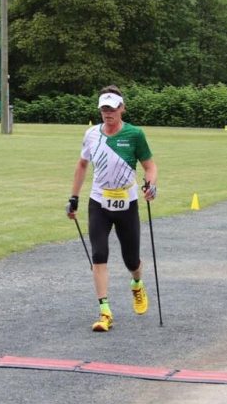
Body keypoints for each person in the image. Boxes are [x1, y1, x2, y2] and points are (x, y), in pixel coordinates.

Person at [66, 86, 158, 332]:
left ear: (122, 108)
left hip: (127, 203)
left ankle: (137, 284)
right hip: (99, 202)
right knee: (99, 254)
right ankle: (104, 311)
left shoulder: (135, 134)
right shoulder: (91, 134)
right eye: (104, 109)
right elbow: (82, 165)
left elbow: (150, 166)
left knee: (131, 260)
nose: (108, 113)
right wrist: (74, 197)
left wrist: (151, 185)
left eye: (112, 108)